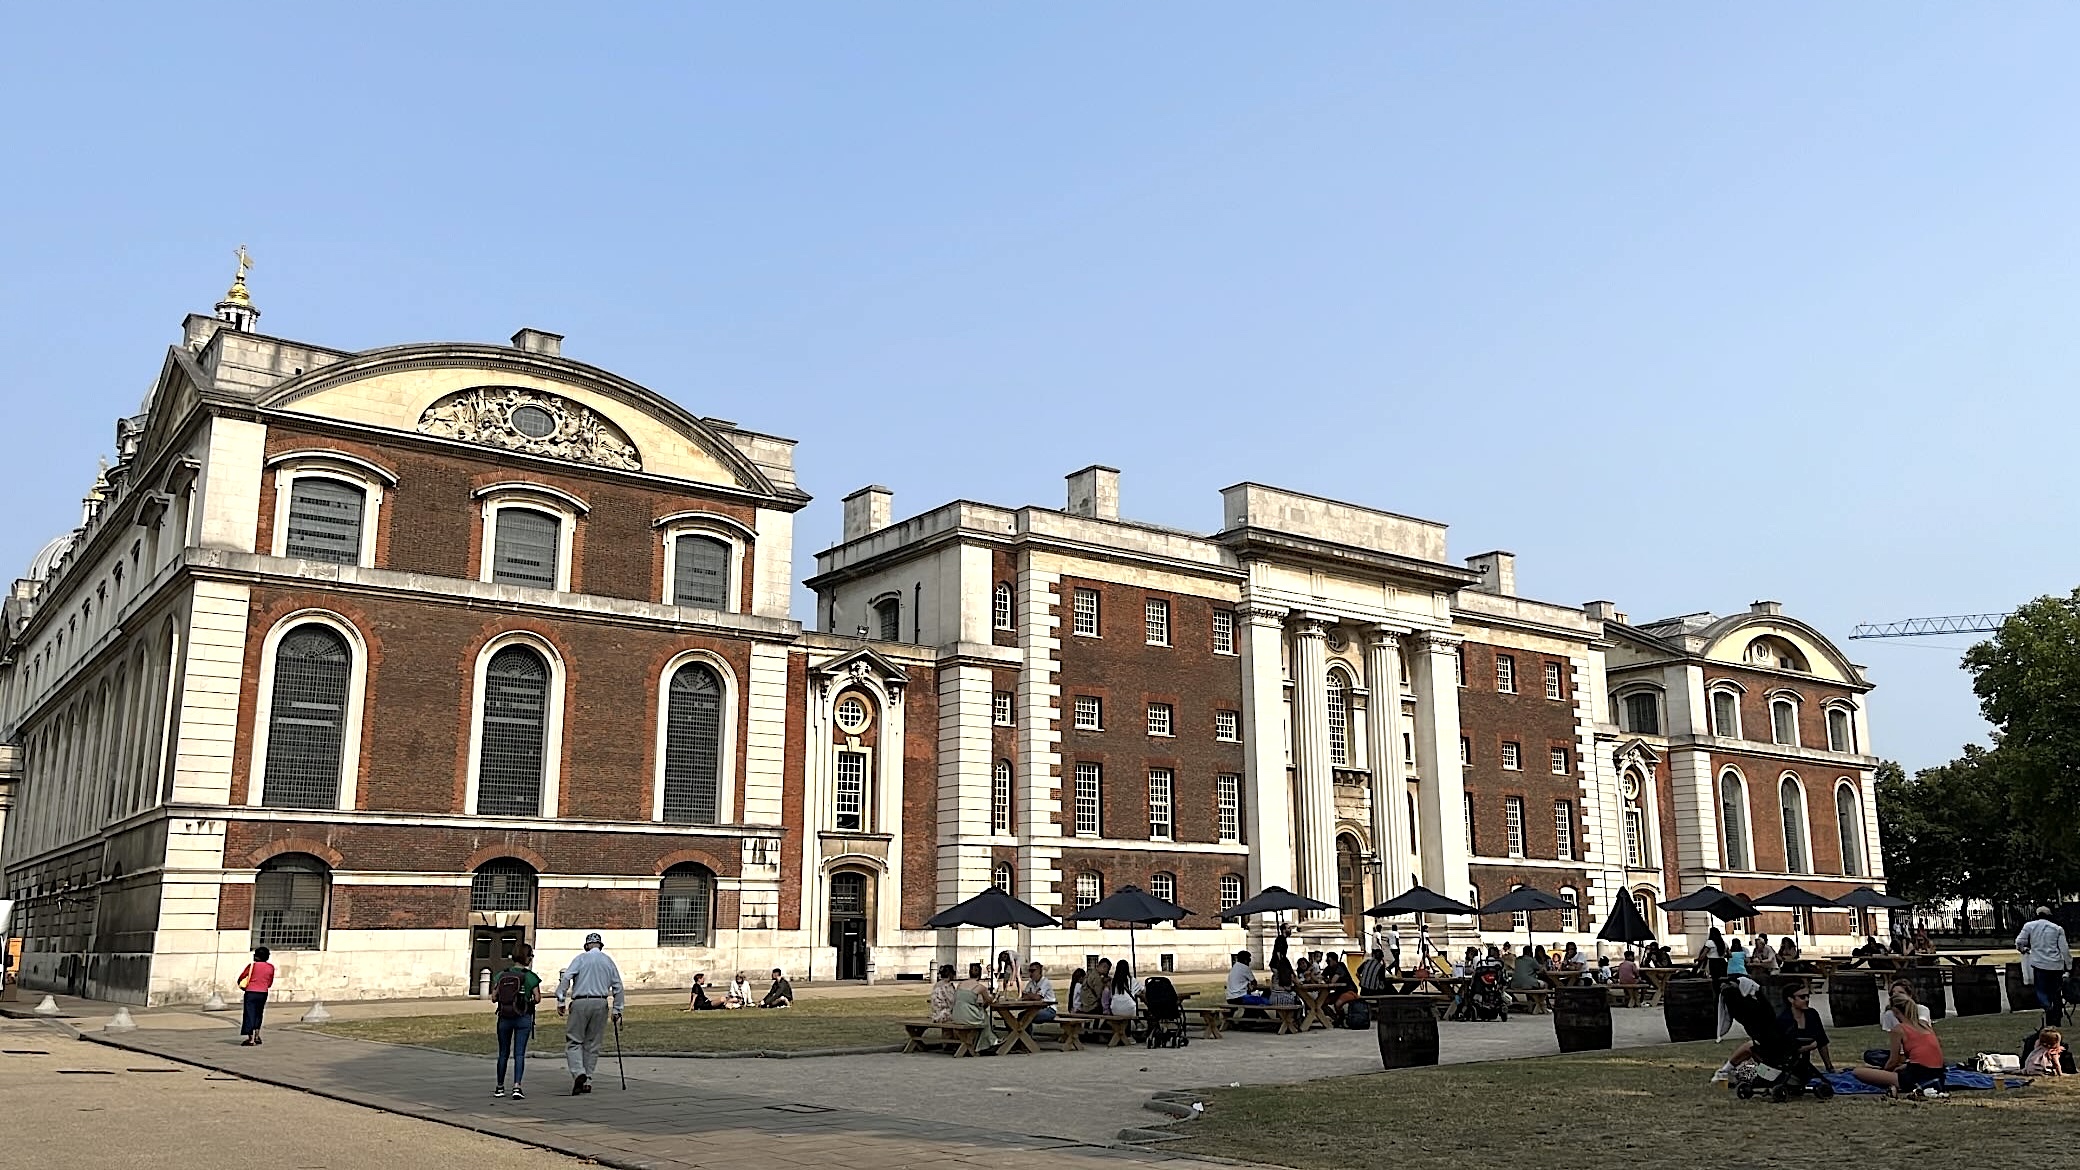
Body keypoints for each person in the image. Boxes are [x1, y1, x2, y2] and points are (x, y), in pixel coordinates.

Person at [555, 932, 625, 1096]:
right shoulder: (608, 961)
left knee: (574, 1040)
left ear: (586, 946)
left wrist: (560, 999)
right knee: (592, 1043)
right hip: (600, 1001)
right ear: (601, 945)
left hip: (580, 1001)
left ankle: (578, 1071)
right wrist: (617, 1009)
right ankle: (588, 1079)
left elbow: (566, 977)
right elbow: (618, 987)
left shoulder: (580, 958)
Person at [1853, 983, 1946, 1097]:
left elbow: (1893, 1061)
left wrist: (1884, 1072)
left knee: (1858, 1072)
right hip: (1938, 1074)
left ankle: (1896, 1085)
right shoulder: (1924, 1024)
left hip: (1916, 1075)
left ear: (1895, 1011)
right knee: (1892, 1066)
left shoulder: (1899, 1029)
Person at [492, 942, 543, 1098]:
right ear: (527, 957)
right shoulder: (530, 977)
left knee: (503, 1053)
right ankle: (516, 1086)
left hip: (504, 1017)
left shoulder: (502, 975)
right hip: (523, 1017)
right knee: (519, 1053)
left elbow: (494, 997)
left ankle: (500, 1087)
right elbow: (538, 998)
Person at [2017, 905, 2071, 1029]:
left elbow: (2019, 941)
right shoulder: (2057, 928)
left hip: (2039, 964)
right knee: (2056, 992)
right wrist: (2068, 965)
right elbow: (2064, 949)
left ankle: (2047, 1007)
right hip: (2056, 965)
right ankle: (2056, 1019)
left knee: (2041, 990)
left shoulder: (2029, 926)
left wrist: (2023, 949)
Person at [951, 963, 1000, 1049]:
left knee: (982, 1014)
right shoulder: (980, 987)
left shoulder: (960, 984)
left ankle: (986, 1041)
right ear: (980, 975)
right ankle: (988, 1042)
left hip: (956, 1015)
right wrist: (993, 996)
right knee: (985, 1017)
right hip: (968, 1016)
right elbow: (989, 1000)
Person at [236, 946, 276, 1047]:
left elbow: (241, 977)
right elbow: (270, 982)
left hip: (251, 992)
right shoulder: (270, 967)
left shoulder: (252, 966)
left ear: (257, 956)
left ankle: (251, 1039)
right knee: (259, 1013)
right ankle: (257, 1035)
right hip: (263, 992)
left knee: (249, 1014)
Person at [1323, 952, 1359, 1024]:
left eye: (1328, 960)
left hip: (1349, 991)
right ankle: (1336, 1019)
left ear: (1334, 960)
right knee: (1322, 1003)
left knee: (1338, 1004)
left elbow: (1333, 981)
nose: (1327, 962)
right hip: (1338, 992)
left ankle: (1342, 1019)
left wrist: (1326, 980)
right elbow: (1320, 977)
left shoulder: (1340, 967)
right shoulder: (1328, 968)